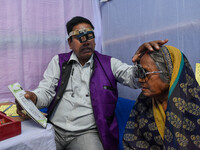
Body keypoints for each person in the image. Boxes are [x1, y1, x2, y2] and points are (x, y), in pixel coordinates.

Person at [16, 16, 168, 150]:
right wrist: (33, 98)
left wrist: (142, 62)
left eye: (90, 36)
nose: (87, 41)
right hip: (54, 129)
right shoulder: (59, 61)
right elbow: (46, 91)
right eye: (80, 37)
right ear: (70, 43)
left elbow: (132, 78)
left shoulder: (109, 63)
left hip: (86, 133)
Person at [123, 45, 200, 150]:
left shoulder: (195, 107)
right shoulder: (143, 104)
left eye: (145, 73)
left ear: (168, 73)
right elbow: (131, 142)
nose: (141, 80)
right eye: (139, 73)